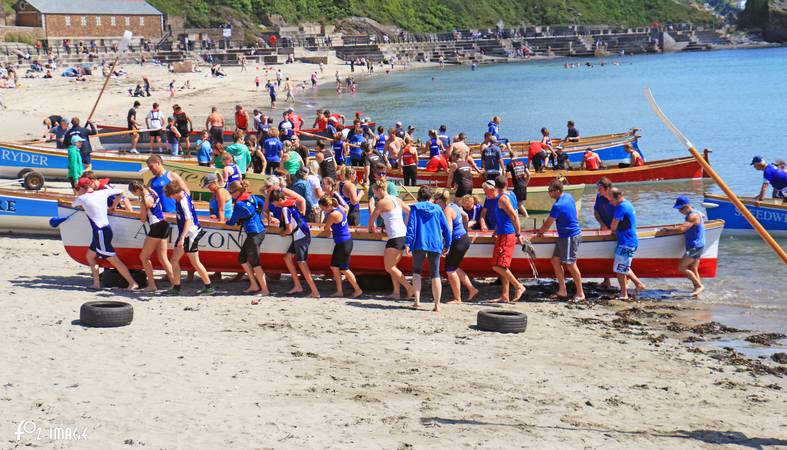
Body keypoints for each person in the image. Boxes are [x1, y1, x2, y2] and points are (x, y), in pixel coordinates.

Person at [72, 178, 138, 290]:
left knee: (114, 260)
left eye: (79, 188)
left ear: (82, 188)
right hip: (106, 229)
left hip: (100, 232)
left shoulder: (82, 198)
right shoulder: (102, 192)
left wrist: (77, 193)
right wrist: (113, 206)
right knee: (90, 256)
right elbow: (121, 192)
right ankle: (96, 284)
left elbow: (73, 204)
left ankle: (132, 283)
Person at [537, 180, 585, 302]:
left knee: (570, 264)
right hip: (563, 236)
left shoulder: (558, 206)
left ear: (558, 191)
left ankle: (580, 293)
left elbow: (548, 223)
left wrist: (540, 232)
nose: (549, 193)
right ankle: (562, 290)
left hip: (570, 236)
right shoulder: (568, 196)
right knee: (555, 261)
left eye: (550, 191)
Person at [405, 186, 452, 311]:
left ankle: (417, 301)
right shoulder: (437, 209)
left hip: (419, 241)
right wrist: (448, 244)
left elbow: (411, 227)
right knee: (435, 273)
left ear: (419, 196)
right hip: (435, 242)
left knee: (416, 272)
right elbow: (446, 229)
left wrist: (408, 243)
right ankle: (437, 305)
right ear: (430, 197)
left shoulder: (415, 208)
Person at [164, 183, 213, 295]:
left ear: (175, 193)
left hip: (190, 234)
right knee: (174, 259)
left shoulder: (183, 202)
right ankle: (176, 287)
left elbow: (188, 220)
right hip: (186, 234)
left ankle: (208, 286)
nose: (170, 198)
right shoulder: (183, 193)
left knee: (195, 262)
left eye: (170, 195)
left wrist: (181, 238)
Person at [368, 180, 413, 299]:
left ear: (381, 190)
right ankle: (396, 293)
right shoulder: (396, 199)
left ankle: (410, 289)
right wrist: (406, 224)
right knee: (393, 267)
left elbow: (372, 218)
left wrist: (371, 229)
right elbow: (410, 211)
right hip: (402, 234)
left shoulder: (382, 202)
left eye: (375, 193)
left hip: (395, 237)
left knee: (389, 267)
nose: (375, 196)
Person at [270, 190, 320, 298]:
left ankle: (315, 292)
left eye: (274, 203)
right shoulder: (291, 204)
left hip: (300, 236)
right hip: (302, 234)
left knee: (302, 263)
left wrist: (281, 233)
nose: (274, 206)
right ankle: (297, 286)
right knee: (287, 258)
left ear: (279, 200)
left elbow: (289, 230)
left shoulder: (284, 208)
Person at [128, 180, 175, 292]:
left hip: (156, 227)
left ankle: (152, 285)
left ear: (137, 190)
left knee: (143, 257)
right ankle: (175, 284)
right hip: (164, 224)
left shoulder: (144, 199)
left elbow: (143, 219)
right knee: (163, 258)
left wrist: (141, 206)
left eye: (133, 193)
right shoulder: (152, 191)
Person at [226, 180, 270, 297]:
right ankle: (254, 285)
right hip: (258, 230)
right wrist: (263, 216)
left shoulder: (239, 204)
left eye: (231, 192)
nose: (230, 195)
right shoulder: (253, 197)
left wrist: (226, 221)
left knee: (255, 263)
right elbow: (262, 205)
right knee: (242, 258)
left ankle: (265, 290)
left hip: (254, 233)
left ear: (238, 191)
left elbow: (232, 221)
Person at [434, 190, 478, 304]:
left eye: (435, 201)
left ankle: (458, 298)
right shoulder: (454, 205)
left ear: (439, 200)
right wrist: (465, 230)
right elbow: (465, 216)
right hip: (463, 238)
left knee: (450, 270)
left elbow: (449, 230)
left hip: (457, 241)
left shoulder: (447, 210)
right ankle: (472, 289)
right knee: (455, 267)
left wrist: (446, 246)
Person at [489, 176, 526, 303]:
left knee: (498, 266)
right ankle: (505, 295)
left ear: (495, 187)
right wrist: (495, 231)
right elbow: (503, 217)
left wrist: (518, 234)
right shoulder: (512, 194)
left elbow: (514, 216)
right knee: (503, 266)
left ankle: (519, 286)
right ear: (506, 184)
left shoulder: (503, 199)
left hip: (507, 234)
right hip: (503, 233)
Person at [319, 195, 363, 298]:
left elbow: (326, 228)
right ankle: (339, 291)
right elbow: (345, 210)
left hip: (343, 243)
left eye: (322, 208)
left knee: (344, 268)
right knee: (334, 267)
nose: (323, 210)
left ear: (326, 206)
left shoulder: (333, 214)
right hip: (342, 242)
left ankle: (357, 289)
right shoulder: (339, 208)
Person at [665, 196, 706, 297]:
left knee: (682, 268)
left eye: (680, 208)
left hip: (695, 246)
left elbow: (682, 229)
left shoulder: (693, 216)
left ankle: (699, 286)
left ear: (687, 206)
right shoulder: (697, 212)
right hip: (698, 244)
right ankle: (697, 291)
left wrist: (667, 230)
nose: (679, 211)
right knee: (693, 268)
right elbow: (703, 217)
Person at [609, 188, 646, 300]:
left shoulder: (621, 207)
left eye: (611, 199)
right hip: (629, 240)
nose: (610, 201)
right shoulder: (628, 203)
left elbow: (613, 226)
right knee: (622, 267)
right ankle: (638, 284)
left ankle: (624, 293)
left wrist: (613, 231)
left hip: (627, 241)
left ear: (617, 197)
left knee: (620, 269)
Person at [594, 178, 615, 288]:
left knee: (617, 255)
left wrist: (613, 228)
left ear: (607, 189)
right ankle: (607, 280)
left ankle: (625, 281)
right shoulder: (599, 197)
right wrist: (602, 224)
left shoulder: (615, 197)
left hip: (616, 229)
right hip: (604, 227)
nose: (598, 190)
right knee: (604, 253)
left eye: (600, 188)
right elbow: (596, 212)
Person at [506, 149, 531, 217]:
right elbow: (529, 174)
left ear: (510, 155)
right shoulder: (522, 162)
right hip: (522, 185)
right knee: (515, 202)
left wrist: (505, 186)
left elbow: (506, 176)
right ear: (516, 154)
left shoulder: (509, 164)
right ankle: (516, 216)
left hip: (518, 186)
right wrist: (526, 183)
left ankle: (526, 217)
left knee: (519, 205)